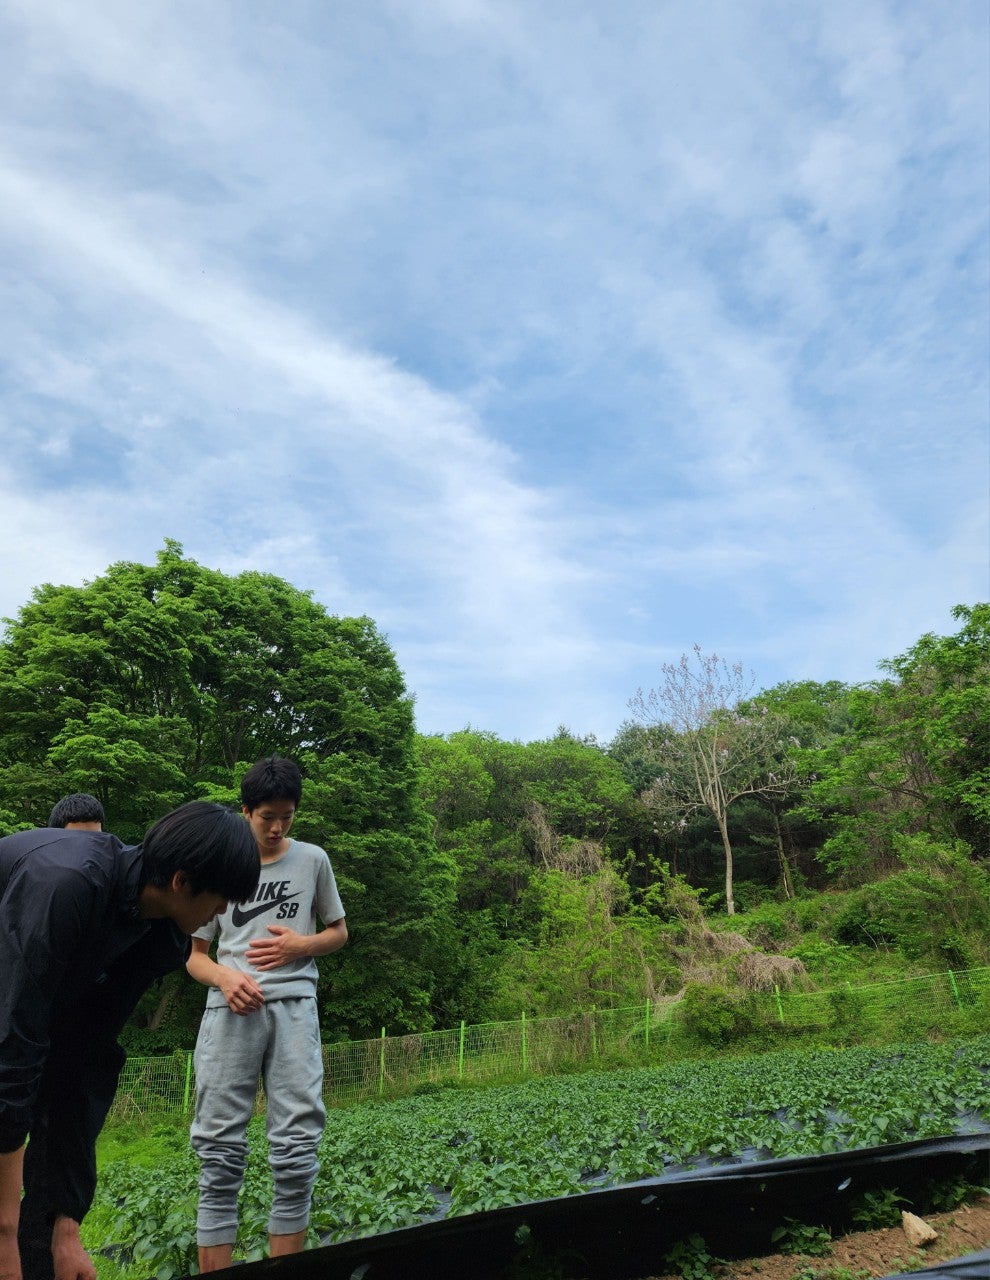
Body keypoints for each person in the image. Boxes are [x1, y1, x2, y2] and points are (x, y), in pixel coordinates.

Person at [0, 801, 261, 1280]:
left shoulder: (161, 935)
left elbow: (85, 1057)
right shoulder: (66, 885)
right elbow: (14, 1047)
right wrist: (2, 1231)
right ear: (182, 881)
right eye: (222, 898)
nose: (223, 911)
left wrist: (65, 1220)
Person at [188, 756, 347, 1272]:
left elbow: (339, 932)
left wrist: (303, 944)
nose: (277, 828)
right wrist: (225, 977)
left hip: (295, 1009)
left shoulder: (313, 860)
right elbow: (192, 954)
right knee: (218, 1150)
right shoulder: (220, 865)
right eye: (266, 818)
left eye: (287, 816)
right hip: (229, 1010)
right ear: (245, 812)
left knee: (298, 1147)